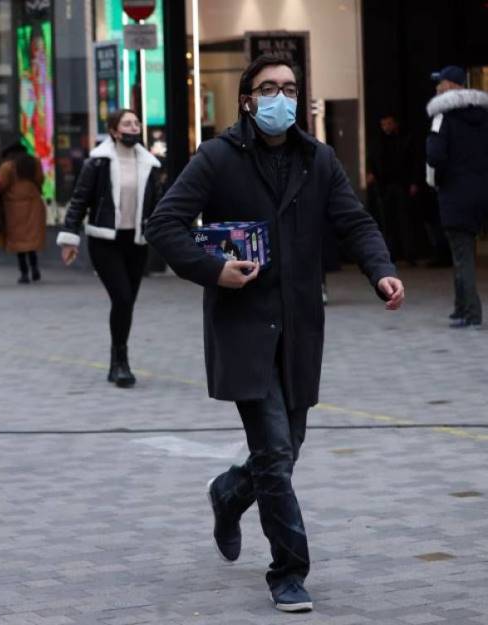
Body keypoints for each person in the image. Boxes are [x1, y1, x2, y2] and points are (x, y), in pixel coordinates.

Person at [146, 55, 404, 613]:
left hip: (300, 327)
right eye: (268, 88)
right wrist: (214, 270)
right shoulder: (216, 158)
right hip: (244, 326)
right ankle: (289, 571)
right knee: (275, 449)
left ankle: (229, 493)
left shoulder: (319, 159)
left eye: (289, 88)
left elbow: (354, 222)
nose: (280, 97)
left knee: (285, 452)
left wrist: (381, 269)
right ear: (247, 99)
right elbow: (164, 224)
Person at [57, 108, 163, 388]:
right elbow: (79, 200)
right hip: (105, 241)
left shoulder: (149, 164)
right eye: (127, 124)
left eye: (136, 123)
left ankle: (118, 358)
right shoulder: (98, 163)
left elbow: (159, 204)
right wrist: (69, 238)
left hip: (136, 242)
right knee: (123, 298)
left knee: (127, 302)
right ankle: (120, 362)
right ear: (115, 131)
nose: (133, 128)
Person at [425, 65, 488, 329]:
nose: (437, 88)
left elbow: (435, 156)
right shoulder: (484, 115)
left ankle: (470, 313)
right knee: (467, 252)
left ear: (451, 85)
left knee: (461, 256)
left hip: (456, 194)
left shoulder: (443, 116)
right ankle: (459, 307)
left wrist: (438, 181)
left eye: (440, 83)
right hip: (483, 192)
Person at [367, 114, 420, 265]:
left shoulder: (405, 140)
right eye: (384, 125)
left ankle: (410, 254)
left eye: (389, 124)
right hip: (385, 186)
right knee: (387, 222)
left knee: (405, 221)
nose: (386, 127)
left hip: (401, 184)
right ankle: (391, 254)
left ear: (395, 124)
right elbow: (373, 161)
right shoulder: (379, 142)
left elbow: (413, 162)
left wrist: (413, 182)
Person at [0, 141, 46, 284]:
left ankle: (24, 273)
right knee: (31, 240)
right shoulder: (34, 163)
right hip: (34, 203)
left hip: (14, 207)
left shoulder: (8, 167)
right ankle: (35, 268)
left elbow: (1, 185)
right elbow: (40, 180)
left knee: (19, 242)